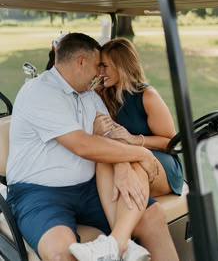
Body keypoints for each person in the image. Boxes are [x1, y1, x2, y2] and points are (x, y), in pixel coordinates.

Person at [6, 33, 178, 261]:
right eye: (98, 65)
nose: (100, 73)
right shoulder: (40, 92)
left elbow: (112, 136)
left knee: (151, 215)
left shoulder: (90, 96)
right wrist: (141, 153)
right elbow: (83, 146)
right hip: (40, 192)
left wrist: (123, 167)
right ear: (81, 61)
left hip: (89, 189)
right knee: (60, 252)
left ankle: (119, 243)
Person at [95, 37, 184, 200]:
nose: (100, 72)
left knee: (134, 164)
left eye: (104, 66)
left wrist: (134, 140)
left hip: (160, 161)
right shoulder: (100, 94)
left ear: (120, 66)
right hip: (122, 157)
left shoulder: (147, 96)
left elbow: (170, 142)